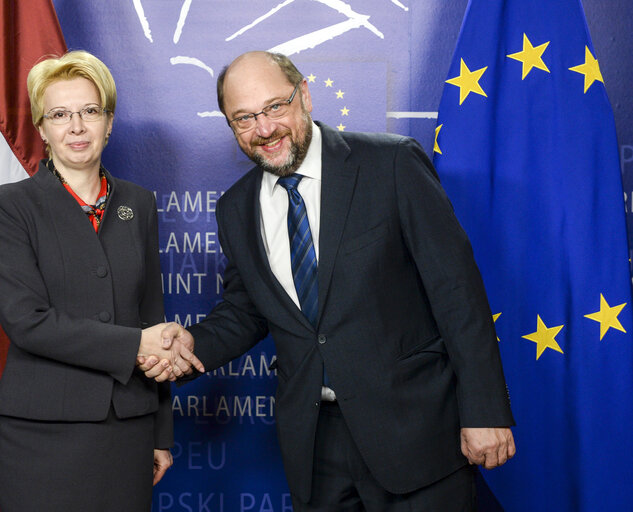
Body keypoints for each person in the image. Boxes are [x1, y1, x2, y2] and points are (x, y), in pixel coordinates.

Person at [141, 51, 515, 511]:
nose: (264, 129)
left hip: (414, 431)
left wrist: (484, 412)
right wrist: (190, 345)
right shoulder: (236, 209)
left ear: (305, 96)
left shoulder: (391, 163)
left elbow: (457, 293)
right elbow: (247, 309)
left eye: (275, 107)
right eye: (244, 118)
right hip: (315, 444)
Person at [0, 50, 202, 511]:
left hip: (129, 426)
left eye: (89, 111)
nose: (76, 126)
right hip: (43, 432)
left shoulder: (139, 203)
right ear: (42, 128)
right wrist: (134, 346)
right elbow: (27, 322)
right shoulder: (8, 206)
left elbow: (152, 316)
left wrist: (161, 431)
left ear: (109, 122)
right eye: (60, 114)